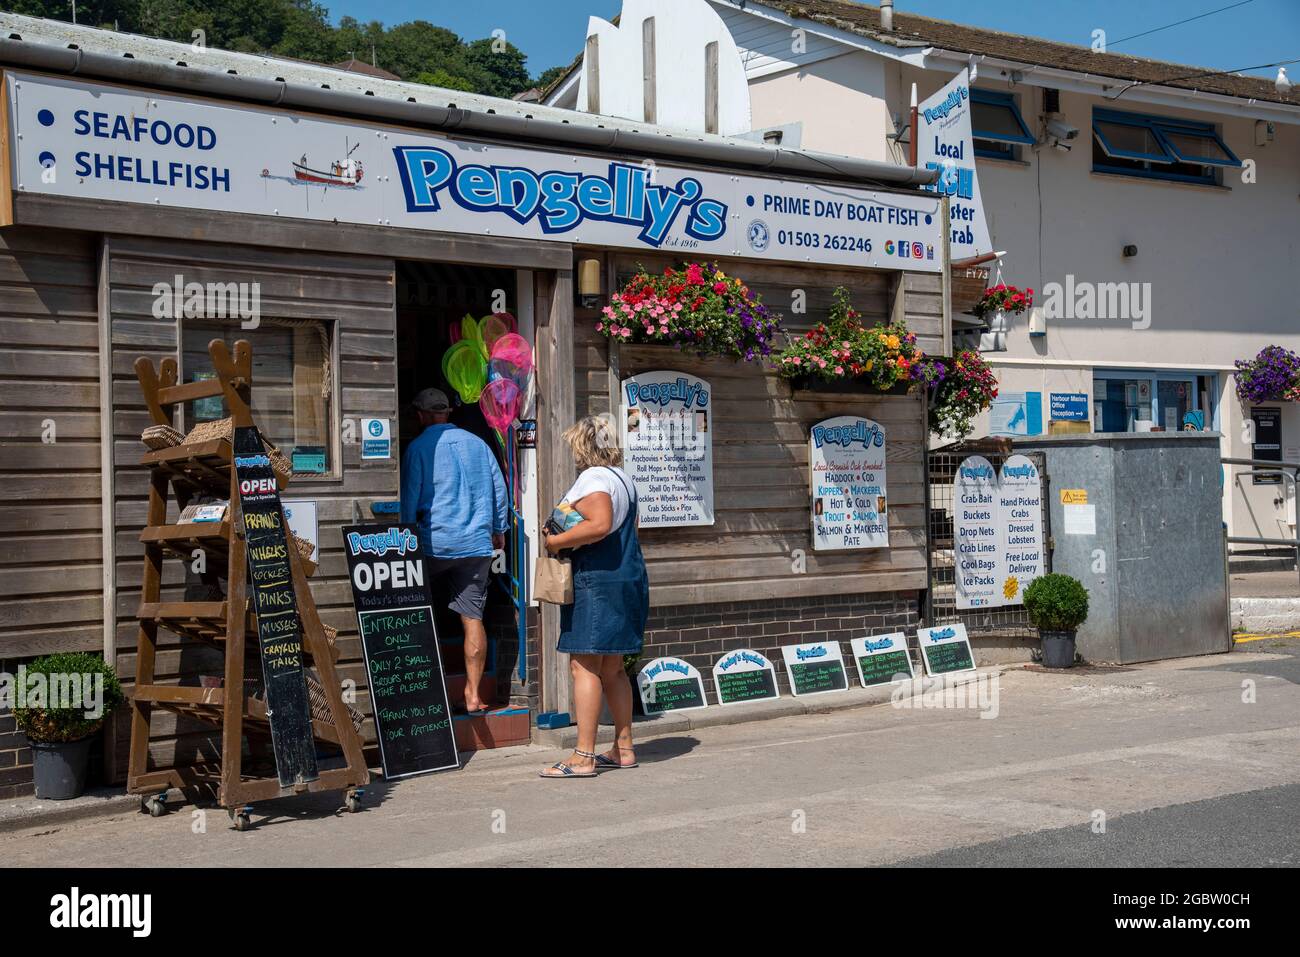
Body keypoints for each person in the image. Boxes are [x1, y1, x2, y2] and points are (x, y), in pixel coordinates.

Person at [539, 415, 649, 779]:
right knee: (614, 668)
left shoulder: (594, 477)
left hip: (597, 581)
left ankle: (583, 756)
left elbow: (599, 525)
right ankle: (624, 747)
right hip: (626, 577)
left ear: (584, 444)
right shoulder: (625, 480)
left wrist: (555, 540)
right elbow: (629, 531)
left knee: (583, 665)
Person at [401, 387, 508, 715]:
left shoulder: (419, 448)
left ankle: (422, 693)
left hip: (434, 544)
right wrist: (498, 530)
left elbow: (410, 499)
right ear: (448, 413)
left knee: (418, 610)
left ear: (420, 415)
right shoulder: (479, 444)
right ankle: (474, 695)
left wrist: (404, 537)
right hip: (476, 544)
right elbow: (499, 488)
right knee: (472, 617)